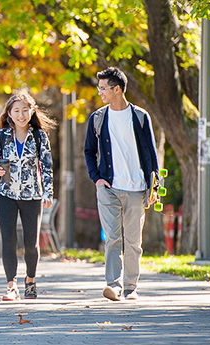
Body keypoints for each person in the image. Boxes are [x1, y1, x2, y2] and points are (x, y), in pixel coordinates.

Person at [84, 67, 158, 301]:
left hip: (136, 188)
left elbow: (152, 156)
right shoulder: (98, 118)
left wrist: (153, 186)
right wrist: (96, 178)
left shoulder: (140, 117)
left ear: (117, 89)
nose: (100, 92)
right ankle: (113, 285)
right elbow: (89, 151)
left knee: (133, 241)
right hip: (109, 188)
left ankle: (131, 287)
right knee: (113, 238)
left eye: (103, 88)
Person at [0, 92, 55, 300]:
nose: (21, 115)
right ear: (9, 113)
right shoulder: (1, 135)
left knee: (30, 243)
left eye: (25, 110)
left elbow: (46, 166)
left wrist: (48, 192)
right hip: (6, 193)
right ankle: (11, 286)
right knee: (8, 240)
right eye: (16, 110)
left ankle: (30, 281)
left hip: (31, 195)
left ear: (32, 111)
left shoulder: (38, 136)